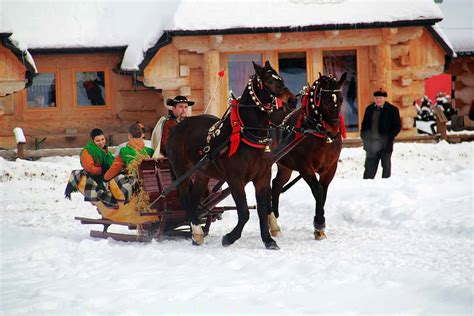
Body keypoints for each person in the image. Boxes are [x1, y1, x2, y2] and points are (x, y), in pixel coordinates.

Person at [65, 128, 117, 208]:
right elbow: (90, 168)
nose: (101, 142)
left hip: (105, 173)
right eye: (98, 141)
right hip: (95, 175)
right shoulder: (87, 151)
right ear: (93, 140)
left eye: (102, 139)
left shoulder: (104, 151)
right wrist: (103, 169)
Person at [360, 88, 401, 179]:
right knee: (369, 169)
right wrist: (364, 138)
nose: (378, 100)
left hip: (385, 144)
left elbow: (397, 126)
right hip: (371, 144)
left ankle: (386, 186)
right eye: (377, 98)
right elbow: (364, 125)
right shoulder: (369, 109)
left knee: (386, 167)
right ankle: (367, 186)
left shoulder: (392, 110)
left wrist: (389, 137)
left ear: (385, 98)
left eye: (380, 98)